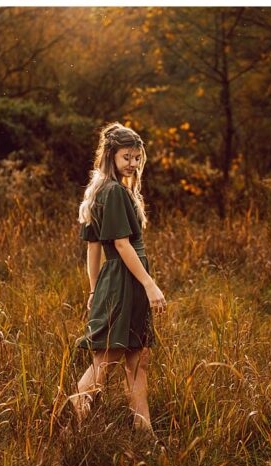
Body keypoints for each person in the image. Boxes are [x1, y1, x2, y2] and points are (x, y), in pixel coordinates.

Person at [71, 122, 165, 435]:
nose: (134, 164)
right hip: (126, 281)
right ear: (110, 155)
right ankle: (72, 420)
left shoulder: (103, 190)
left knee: (137, 360)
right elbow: (121, 245)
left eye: (138, 158)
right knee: (107, 360)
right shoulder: (112, 192)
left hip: (119, 282)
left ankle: (144, 431)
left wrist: (95, 290)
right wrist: (150, 285)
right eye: (127, 157)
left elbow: (93, 250)